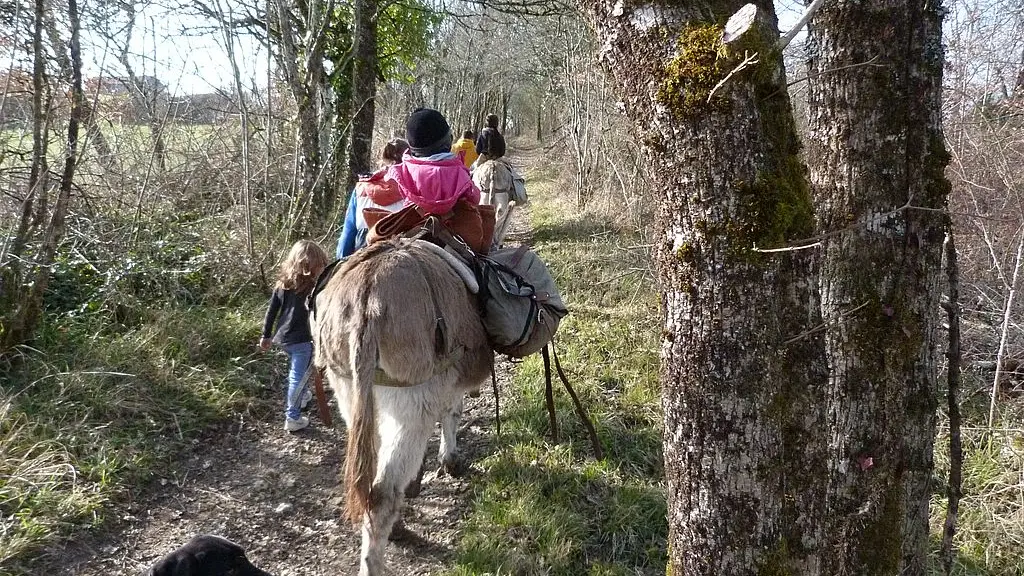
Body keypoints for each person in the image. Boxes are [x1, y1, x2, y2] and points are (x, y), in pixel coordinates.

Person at [259, 240, 329, 432]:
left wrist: (266, 335)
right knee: (297, 377)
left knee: (301, 371)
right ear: (310, 267)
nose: (321, 269)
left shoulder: (282, 284)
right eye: (319, 265)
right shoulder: (315, 287)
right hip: (302, 340)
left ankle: (303, 395)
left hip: (283, 338)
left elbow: (271, 311)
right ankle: (293, 417)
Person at [387, 108, 480, 215]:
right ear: (448, 140)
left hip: (412, 219)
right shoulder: (460, 173)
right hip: (452, 223)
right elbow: (474, 198)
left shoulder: (402, 172)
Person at [337, 138, 409, 259]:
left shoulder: (360, 189)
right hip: (400, 253)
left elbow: (347, 235)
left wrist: (340, 263)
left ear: (382, 159)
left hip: (362, 253)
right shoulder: (412, 191)